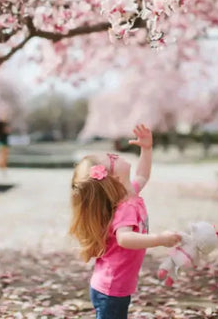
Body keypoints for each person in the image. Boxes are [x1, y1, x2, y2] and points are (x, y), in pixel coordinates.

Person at [69, 124, 182, 319]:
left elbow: (143, 175)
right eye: (112, 159)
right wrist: (159, 239)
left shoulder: (129, 193)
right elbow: (125, 238)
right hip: (111, 289)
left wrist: (146, 149)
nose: (116, 154)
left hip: (113, 285)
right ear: (113, 179)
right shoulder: (125, 207)